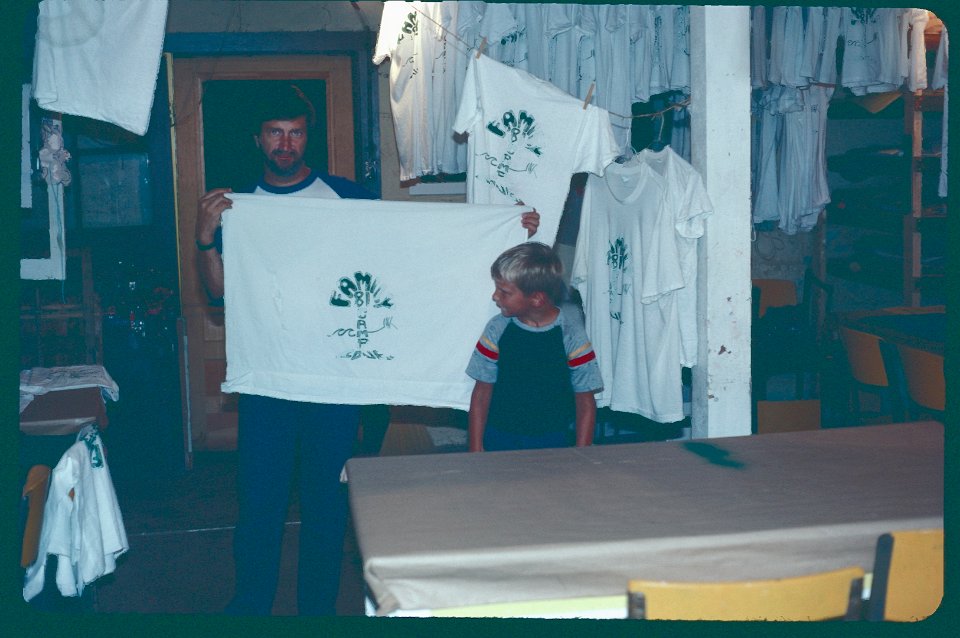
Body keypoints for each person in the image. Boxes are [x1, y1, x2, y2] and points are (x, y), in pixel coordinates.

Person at [194, 84, 539, 615]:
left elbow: (416, 247)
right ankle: (250, 607)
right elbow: (219, 294)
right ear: (258, 140)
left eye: (295, 133)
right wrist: (204, 237)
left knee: (327, 507)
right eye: (275, 134)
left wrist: (506, 231)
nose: (285, 143)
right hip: (269, 384)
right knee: (259, 507)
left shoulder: (347, 199)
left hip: (337, 384)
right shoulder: (241, 208)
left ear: (307, 137)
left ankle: (317, 611)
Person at [466, 242, 601, 452]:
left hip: (553, 441)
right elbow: (481, 393)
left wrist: (581, 453)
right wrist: (475, 449)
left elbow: (585, 401)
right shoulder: (497, 329)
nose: (495, 296)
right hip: (498, 437)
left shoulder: (571, 334)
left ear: (536, 298)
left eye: (504, 292)